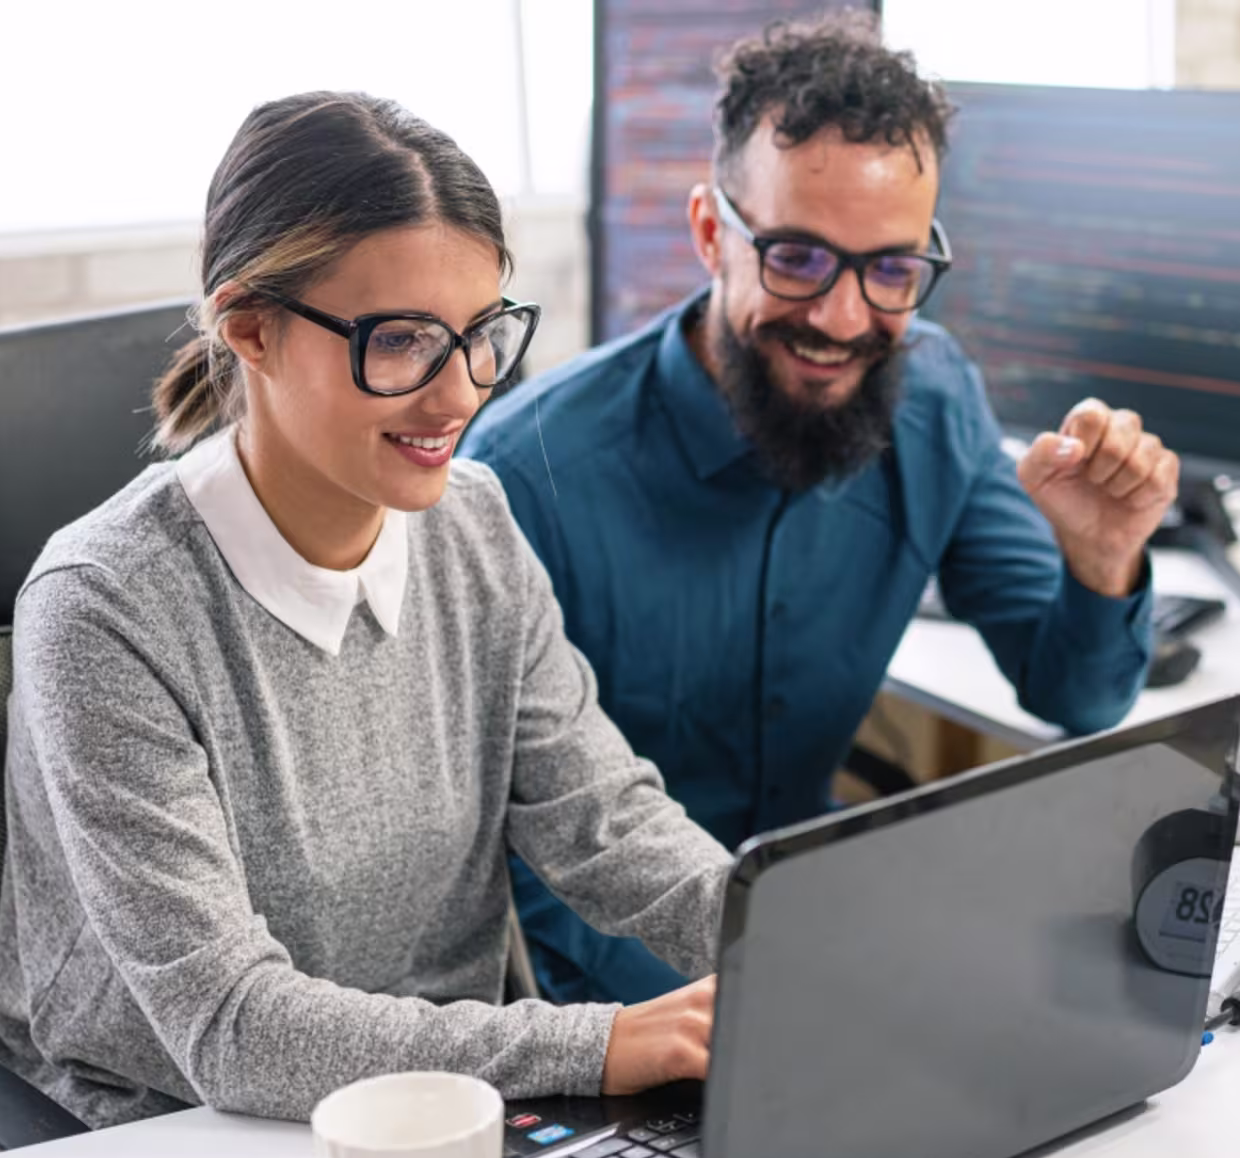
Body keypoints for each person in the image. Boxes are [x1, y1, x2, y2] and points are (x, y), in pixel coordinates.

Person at [0, 92, 729, 1130]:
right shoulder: (104, 604)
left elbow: (606, 826)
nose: (460, 392)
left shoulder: (473, 526)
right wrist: (599, 1043)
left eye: (482, 336)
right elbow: (232, 1026)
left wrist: (788, 942)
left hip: (447, 1112)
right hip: (160, 1133)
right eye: (405, 340)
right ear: (249, 327)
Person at [461, 15, 1181, 1005]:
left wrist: (1103, 563)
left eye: (892, 270)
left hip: (818, 956)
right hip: (614, 1006)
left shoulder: (935, 400)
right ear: (714, 232)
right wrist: (758, 997)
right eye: (796, 257)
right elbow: (512, 864)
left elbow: (1078, 695)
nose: (844, 319)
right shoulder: (526, 474)